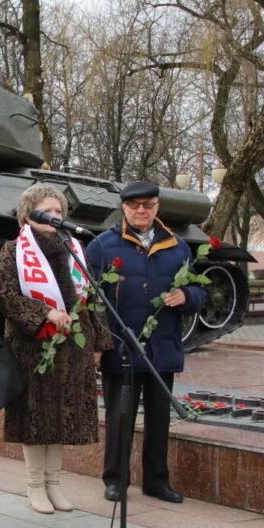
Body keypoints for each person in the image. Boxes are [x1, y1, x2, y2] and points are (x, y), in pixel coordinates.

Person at [0, 183, 112, 513]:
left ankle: (55, 484)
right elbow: (7, 295)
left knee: (61, 417)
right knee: (37, 416)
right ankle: (34, 486)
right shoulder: (13, 249)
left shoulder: (74, 248)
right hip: (33, 347)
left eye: (59, 211)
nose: (55, 217)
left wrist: (98, 342)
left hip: (72, 347)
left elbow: (91, 298)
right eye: (48, 211)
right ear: (28, 215)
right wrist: (46, 313)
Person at [86, 180, 206, 504]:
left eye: (148, 205)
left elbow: (198, 289)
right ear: (124, 208)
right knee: (120, 416)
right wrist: (98, 344)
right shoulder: (102, 246)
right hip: (122, 349)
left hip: (161, 347)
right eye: (135, 205)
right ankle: (116, 480)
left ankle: (156, 481)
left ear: (157, 208)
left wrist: (188, 296)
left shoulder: (178, 246)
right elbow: (91, 299)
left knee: (159, 418)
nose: (142, 210)